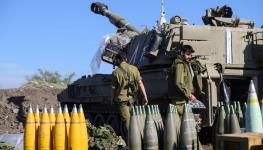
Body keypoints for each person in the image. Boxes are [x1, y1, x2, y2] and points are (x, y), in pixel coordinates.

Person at [111, 52, 148, 141]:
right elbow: (140, 84)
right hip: (133, 99)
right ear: (126, 59)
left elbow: (113, 89)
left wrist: (112, 99)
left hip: (122, 101)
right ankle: (139, 139)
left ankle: (132, 141)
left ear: (118, 60)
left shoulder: (115, 72)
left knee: (127, 122)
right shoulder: (134, 69)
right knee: (135, 119)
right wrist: (145, 97)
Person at [169, 45, 206, 115]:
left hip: (184, 98)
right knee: (183, 121)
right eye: (188, 54)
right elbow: (178, 82)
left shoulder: (186, 63)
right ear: (182, 53)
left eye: (191, 55)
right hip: (180, 100)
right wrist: (189, 95)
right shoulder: (179, 64)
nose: (190, 57)